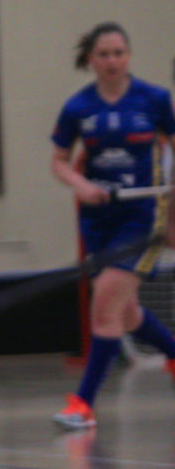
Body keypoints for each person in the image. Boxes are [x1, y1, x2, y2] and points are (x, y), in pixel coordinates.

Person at [50, 21, 175, 430]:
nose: (112, 61)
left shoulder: (155, 100)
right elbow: (58, 162)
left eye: (119, 53)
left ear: (129, 56)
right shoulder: (78, 108)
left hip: (141, 216)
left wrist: (172, 215)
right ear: (91, 59)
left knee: (105, 301)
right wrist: (82, 185)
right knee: (124, 311)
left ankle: (83, 405)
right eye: (104, 54)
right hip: (99, 220)